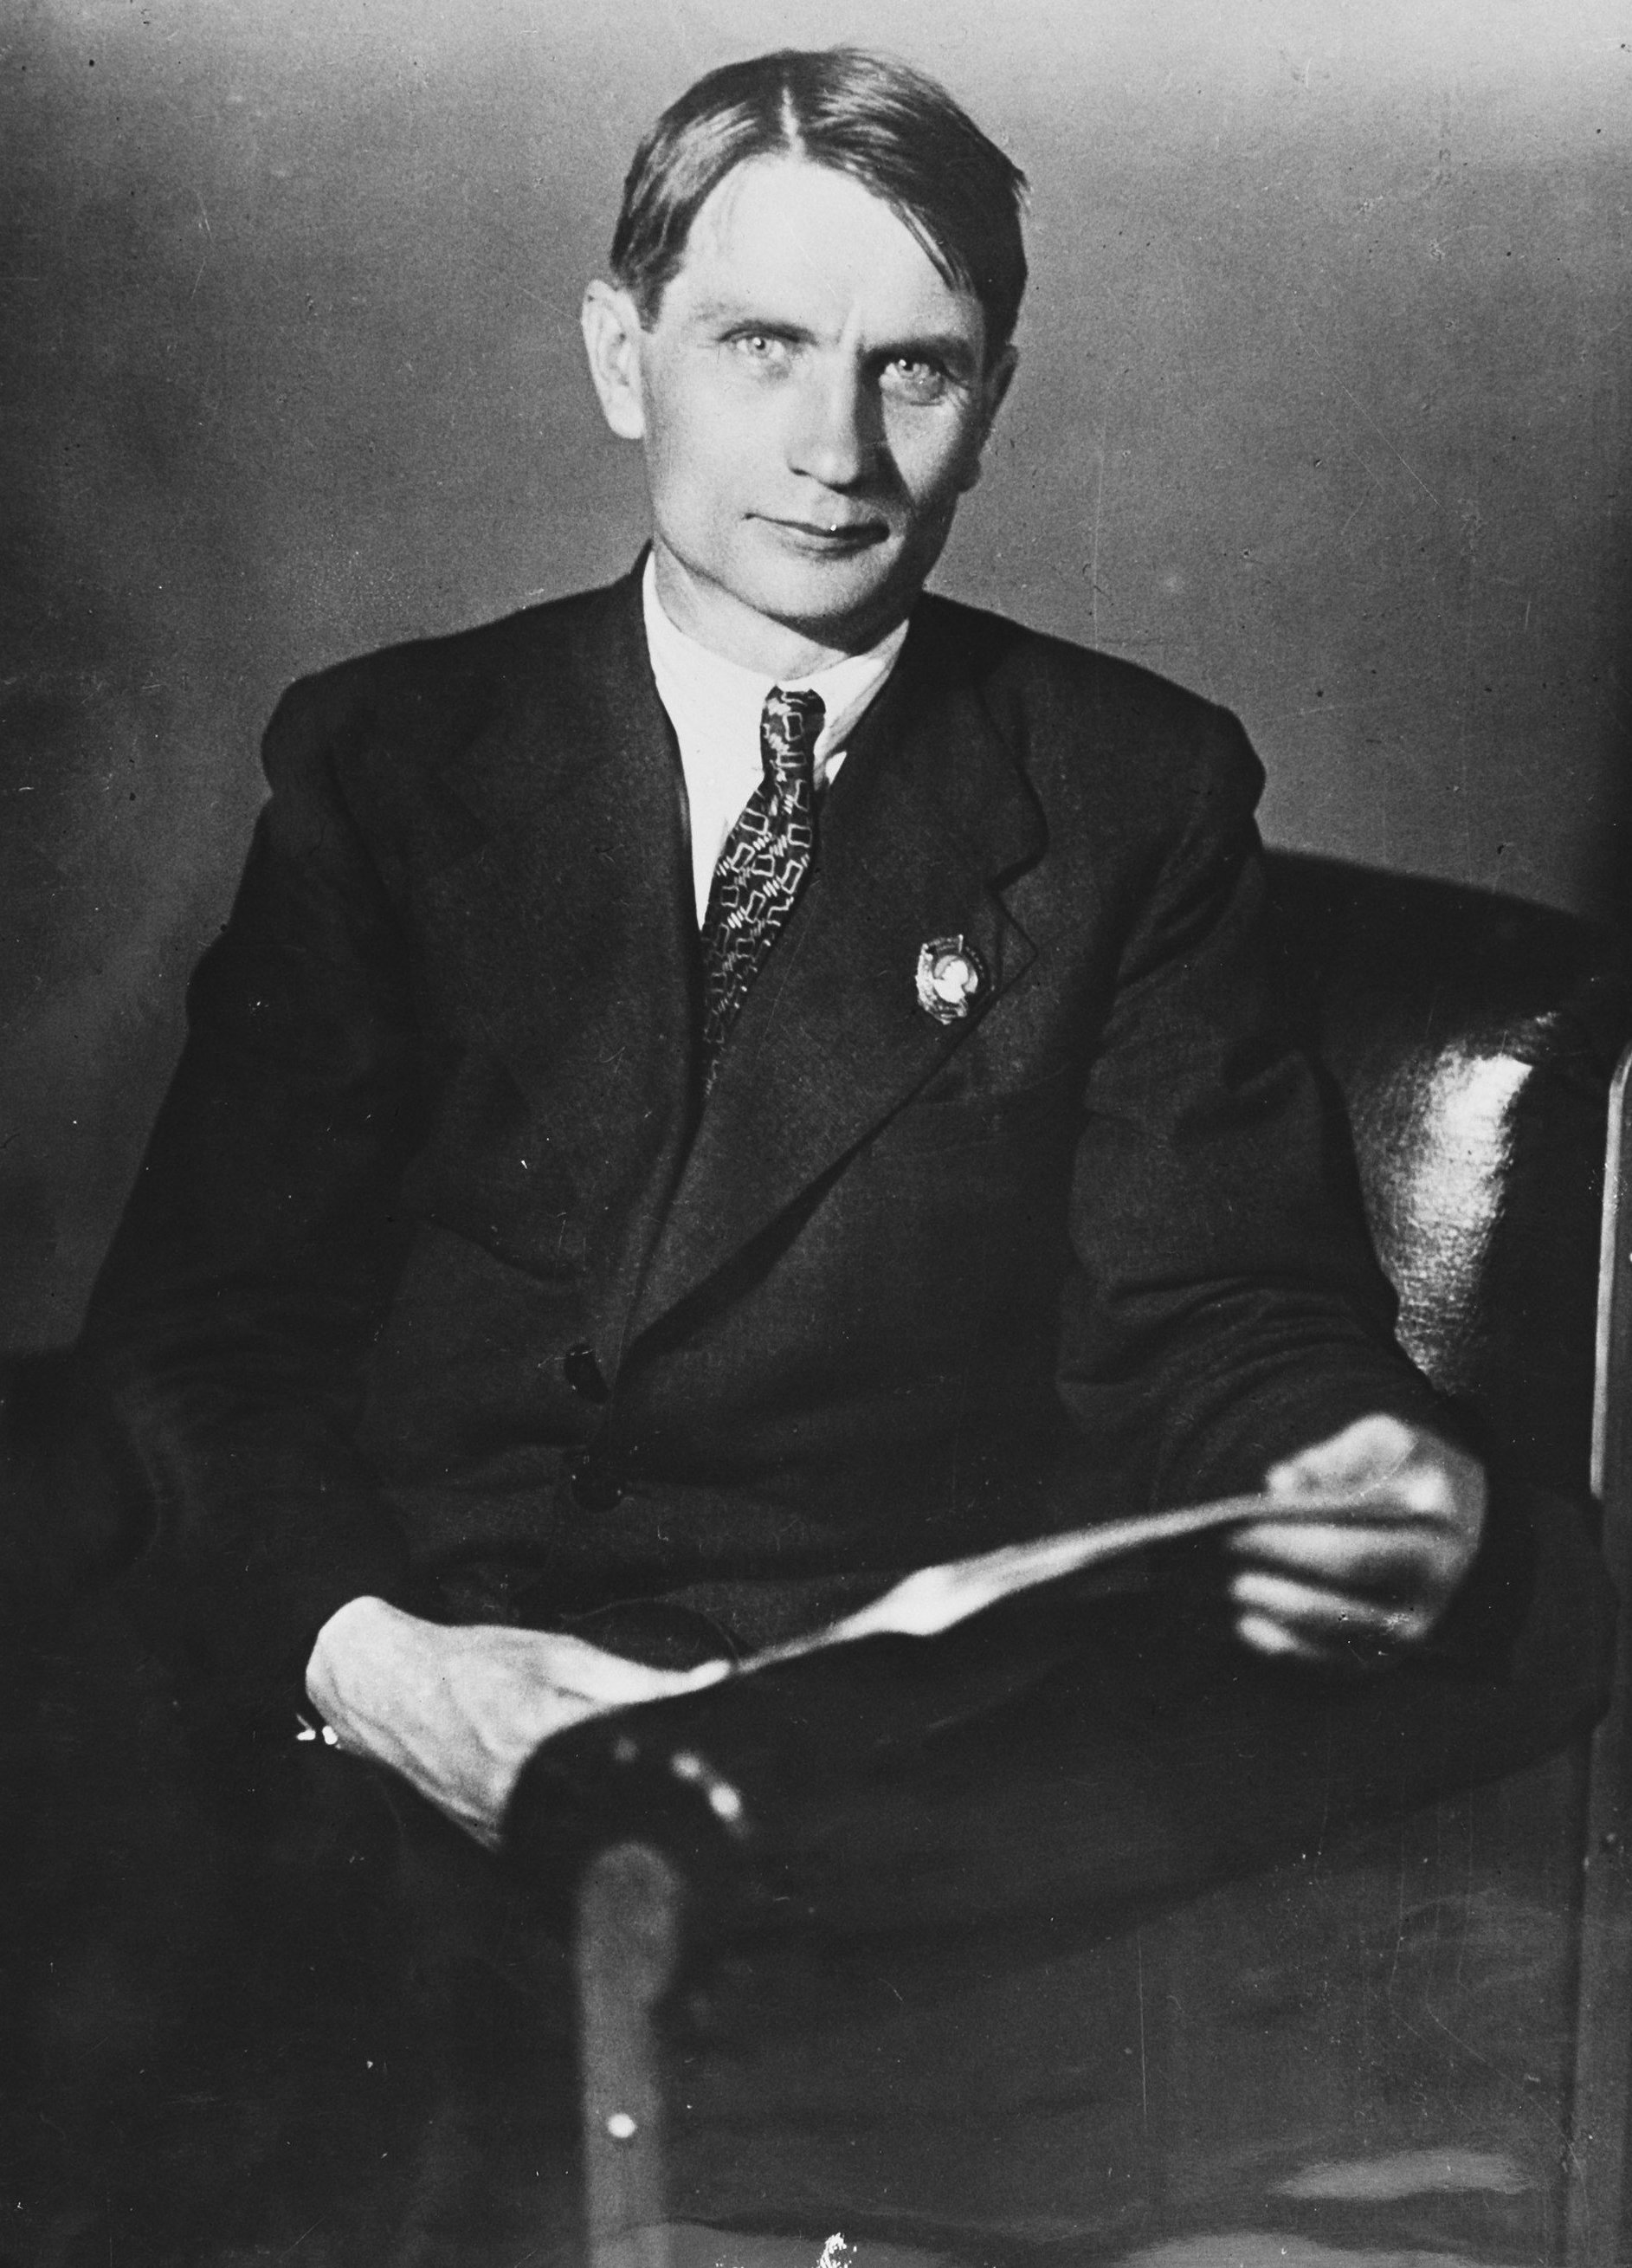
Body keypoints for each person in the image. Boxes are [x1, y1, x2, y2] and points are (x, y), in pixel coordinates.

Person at [55, 42, 1611, 2254]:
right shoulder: (396, 756)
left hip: (836, 1771)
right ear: (624, 356)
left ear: (994, 397)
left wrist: (1354, 1460)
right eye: (761, 344)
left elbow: (1222, 1308)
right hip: (391, 1714)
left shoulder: (1129, 789)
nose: (834, 447)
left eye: (919, 368)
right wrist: (381, 1659)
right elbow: (198, 1336)